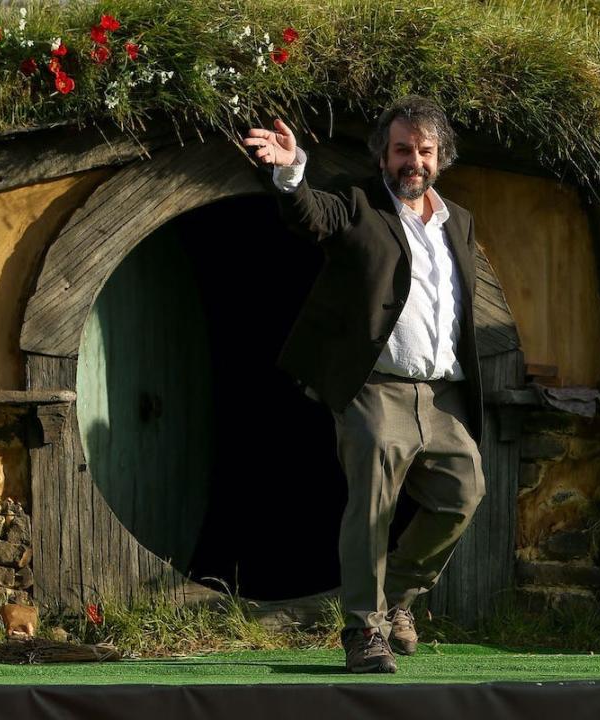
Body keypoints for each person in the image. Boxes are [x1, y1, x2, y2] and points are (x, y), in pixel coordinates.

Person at [242, 96, 485, 674]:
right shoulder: (358, 204)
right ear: (383, 154)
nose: (413, 162)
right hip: (375, 389)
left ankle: (397, 595)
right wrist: (290, 170)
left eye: (424, 152)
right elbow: (311, 216)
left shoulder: (460, 221)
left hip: (439, 395)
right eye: (403, 150)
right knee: (372, 509)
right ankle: (363, 632)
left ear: (440, 157)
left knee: (463, 494)